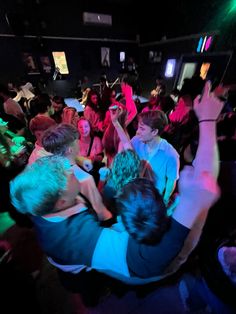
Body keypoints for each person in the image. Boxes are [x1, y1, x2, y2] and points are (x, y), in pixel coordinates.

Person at [10, 81, 222, 285]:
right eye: (70, 174)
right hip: (82, 272)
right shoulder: (79, 239)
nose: (74, 170)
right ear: (63, 201)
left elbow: (124, 160)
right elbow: (148, 262)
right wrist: (191, 205)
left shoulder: (40, 196)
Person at [41, 123, 111, 221]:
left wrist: (80, 160)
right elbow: (100, 211)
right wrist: (102, 180)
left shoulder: (49, 169)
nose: (79, 142)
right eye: (76, 141)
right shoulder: (84, 179)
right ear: (70, 149)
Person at [131, 110, 179, 205]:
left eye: (142, 129)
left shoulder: (170, 154)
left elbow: (171, 180)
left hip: (152, 200)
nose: (137, 131)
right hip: (133, 194)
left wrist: (164, 201)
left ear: (154, 132)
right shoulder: (136, 141)